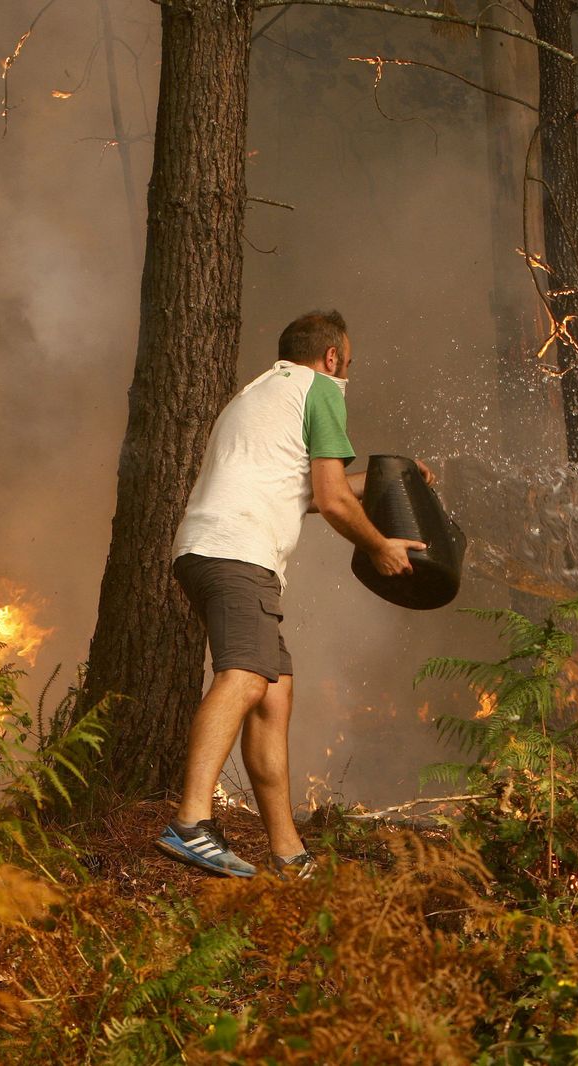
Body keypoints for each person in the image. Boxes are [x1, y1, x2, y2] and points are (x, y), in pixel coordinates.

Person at [156, 309, 433, 879]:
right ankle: (191, 822)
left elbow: (301, 491)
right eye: (348, 362)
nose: (347, 373)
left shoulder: (262, 393)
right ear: (332, 357)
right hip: (238, 553)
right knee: (245, 676)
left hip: (209, 549)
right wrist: (379, 546)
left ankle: (289, 855)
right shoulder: (321, 389)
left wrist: (389, 481)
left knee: (274, 692)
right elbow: (332, 501)